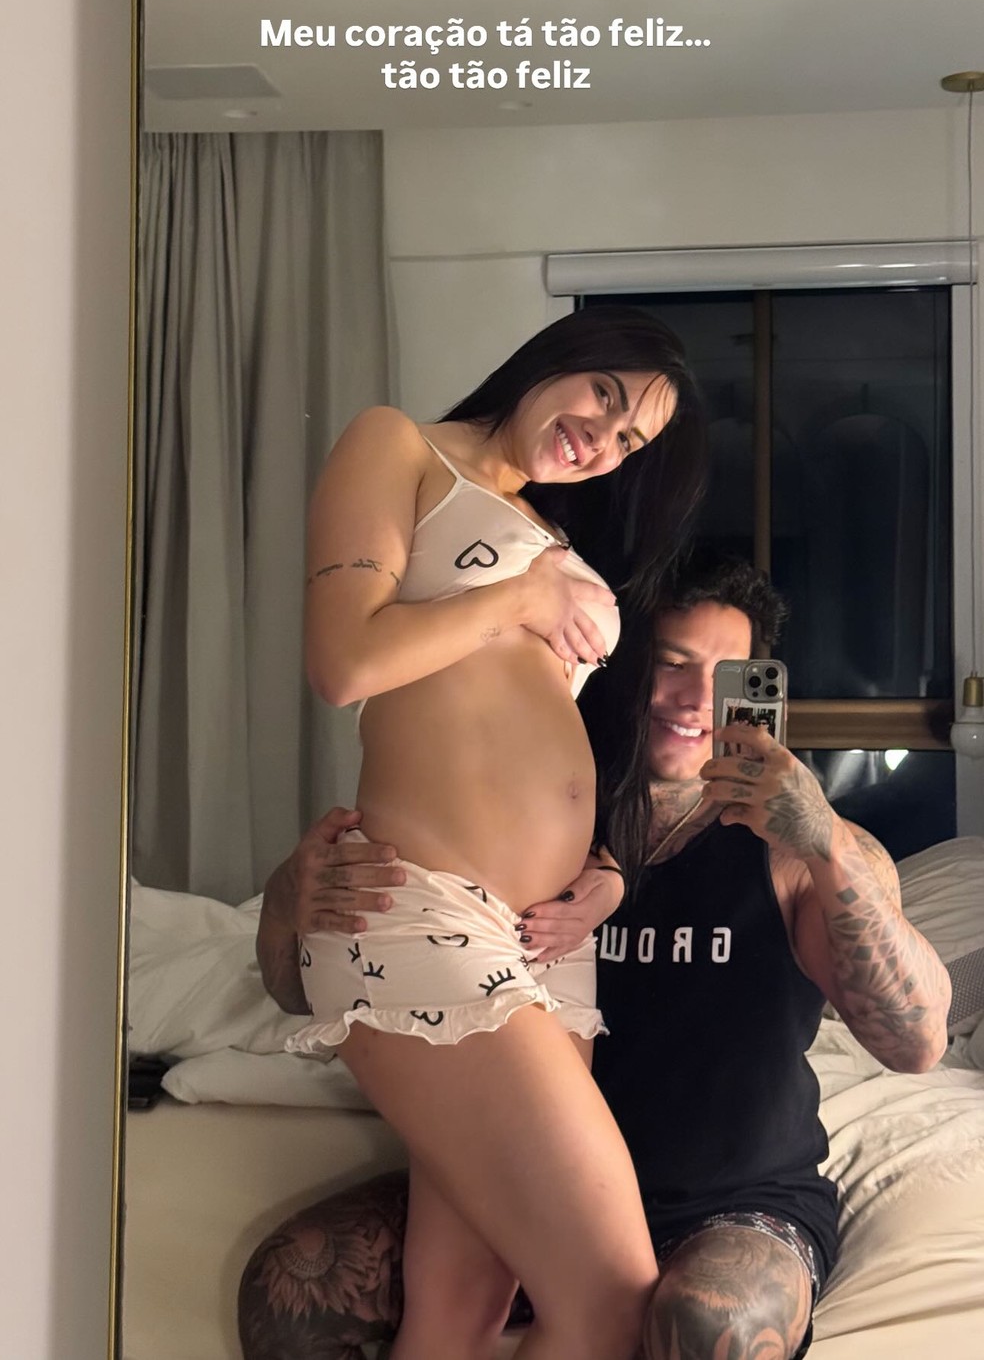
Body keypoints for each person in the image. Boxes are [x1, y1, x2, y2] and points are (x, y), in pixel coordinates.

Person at [240, 554, 951, 1360]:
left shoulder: (796, 852)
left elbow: (917, 1041)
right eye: (672, 664)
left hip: (730, 1205)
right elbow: (299, 990)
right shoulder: (528, 826)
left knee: (709, 1324)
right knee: (293, 1291)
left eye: (724, 674)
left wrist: (825, 842)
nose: (694, 698)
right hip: (529, 1186)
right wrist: (290, 899)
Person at [271, 307, 706, 1360]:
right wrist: (519, 594)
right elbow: (344, 663)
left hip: (545, 940)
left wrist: (606, 867)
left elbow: (552, 730)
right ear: (558, 359)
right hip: (420, 906)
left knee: (460, 1313)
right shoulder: (400, 446)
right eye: (605, 395)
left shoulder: (555, 533)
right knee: (613, 1304)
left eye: (629, 439)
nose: (602, 439)